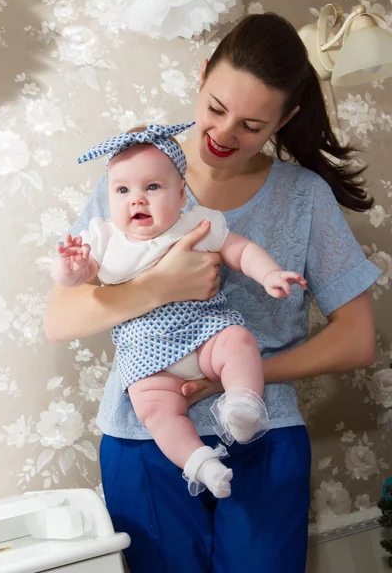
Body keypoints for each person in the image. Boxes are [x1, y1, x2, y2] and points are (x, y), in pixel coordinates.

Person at [45, 13, 380, 573]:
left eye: (251, 125)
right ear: (201, 77)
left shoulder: (304, 197)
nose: (225, 136)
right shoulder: (135, 174)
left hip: (264, 435)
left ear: (285, 119)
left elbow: (357, 340)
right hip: (143, 437)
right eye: (216, 109)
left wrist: (231, 380)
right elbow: (61, 317)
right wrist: (158, 286)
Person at [51, 122, 307, 499]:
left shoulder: (195, 222)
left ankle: (242, 405)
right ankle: (201, 465)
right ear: (109, 198)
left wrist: (268, 272)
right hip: (148, 356)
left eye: (152, 187)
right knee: (155, 411)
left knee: (238, 342)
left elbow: (239, 249)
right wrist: (70, 268)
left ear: (181, 192)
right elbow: (79, 280)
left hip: (204, 333)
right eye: (123, 190)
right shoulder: (104, 238)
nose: (137, 199)